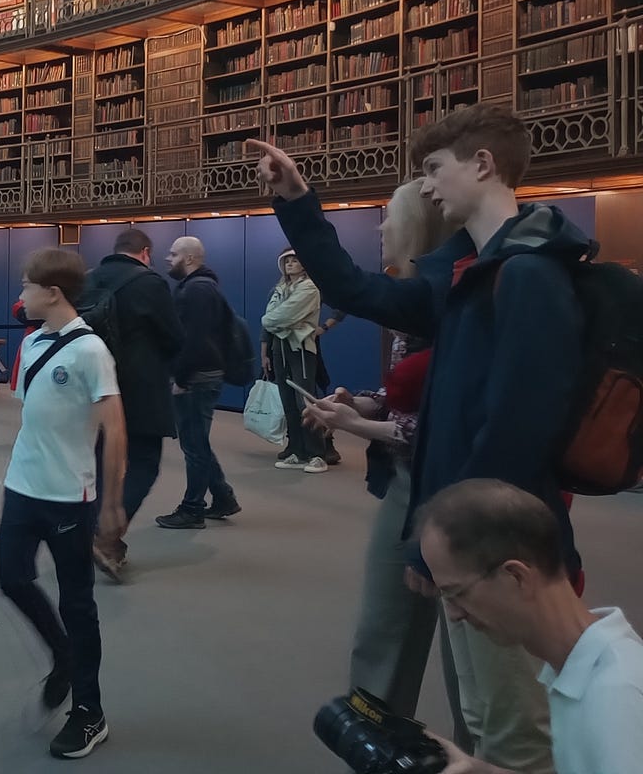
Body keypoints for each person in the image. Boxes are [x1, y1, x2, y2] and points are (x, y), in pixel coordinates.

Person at [250, 102, 588, 774]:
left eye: (434, 169)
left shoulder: (531, 272)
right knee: (484, 701)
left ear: (483, 165)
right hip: (460, 520)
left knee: (508, 717)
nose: (425, 187)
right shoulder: (464, 274)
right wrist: (297, 199)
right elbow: (357, 290)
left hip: (499, 539)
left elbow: (517, 429)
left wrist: (453, 543)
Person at [298, 179, 466, 736]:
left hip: (460, 493)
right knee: (383, 627)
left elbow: (450, 420)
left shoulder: (452, 301)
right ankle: (374, 737)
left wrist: (357, 424)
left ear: (419, 227)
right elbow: (407, 392)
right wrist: (361, 401)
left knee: (471, 654)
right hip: (403, 483)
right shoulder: (408, 301)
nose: (379, 227)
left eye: (389, 216)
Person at [416, 479, 643, 774]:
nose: (455, 614)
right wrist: (480, 770)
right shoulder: (579, 668)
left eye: (457, 593)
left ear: (516, 577)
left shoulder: (615, 697)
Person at [0, 247, 127, 760]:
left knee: (78, 603)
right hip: (21, 485)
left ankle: (89, 712)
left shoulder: (90, 351)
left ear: (53, 293)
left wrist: (114, 501)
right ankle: (63, 655)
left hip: (69, 497)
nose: (20, 296)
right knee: (11, 578)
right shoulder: (32, 343)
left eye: (27, 287)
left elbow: (114, 429)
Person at [85, 229, 183, 579]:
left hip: (94, 386)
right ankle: (107, 536)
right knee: (144, 461)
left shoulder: (89, 279)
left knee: (99, 461)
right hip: (140, 387)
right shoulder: (150, 283)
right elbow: (173, 336)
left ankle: (93, 528)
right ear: (145, 252)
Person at [154, 236, 240, 529]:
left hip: (196, 378)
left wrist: (181, 377)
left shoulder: (198, 290)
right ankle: (223, 497)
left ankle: (193, 509)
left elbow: (193, 339)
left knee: (194, 446)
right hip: (203, 375)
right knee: (197, 442)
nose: (167, 258)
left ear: (190, 258)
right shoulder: (201, 287)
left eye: (173, 253)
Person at [262, 247, 326, 473]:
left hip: (300, 349)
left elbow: (280, 316)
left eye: (295, 260)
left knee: (305, 402)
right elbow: (270, 318)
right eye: (287, 261)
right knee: (288, 401)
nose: (290, 264)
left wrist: (273, 321)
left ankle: (318, 453)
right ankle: (297, 450)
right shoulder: (280, 288)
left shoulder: (309, 287)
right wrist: (274, 321)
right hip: (280, 348)